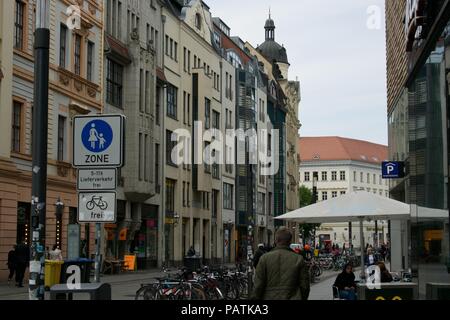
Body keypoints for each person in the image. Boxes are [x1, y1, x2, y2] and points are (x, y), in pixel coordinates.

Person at [252, 227, 310, 300]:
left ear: (276, 240)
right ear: (290, 241)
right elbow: (305, 286)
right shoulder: (298, 259)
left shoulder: (264, 259)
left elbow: (258, 286)